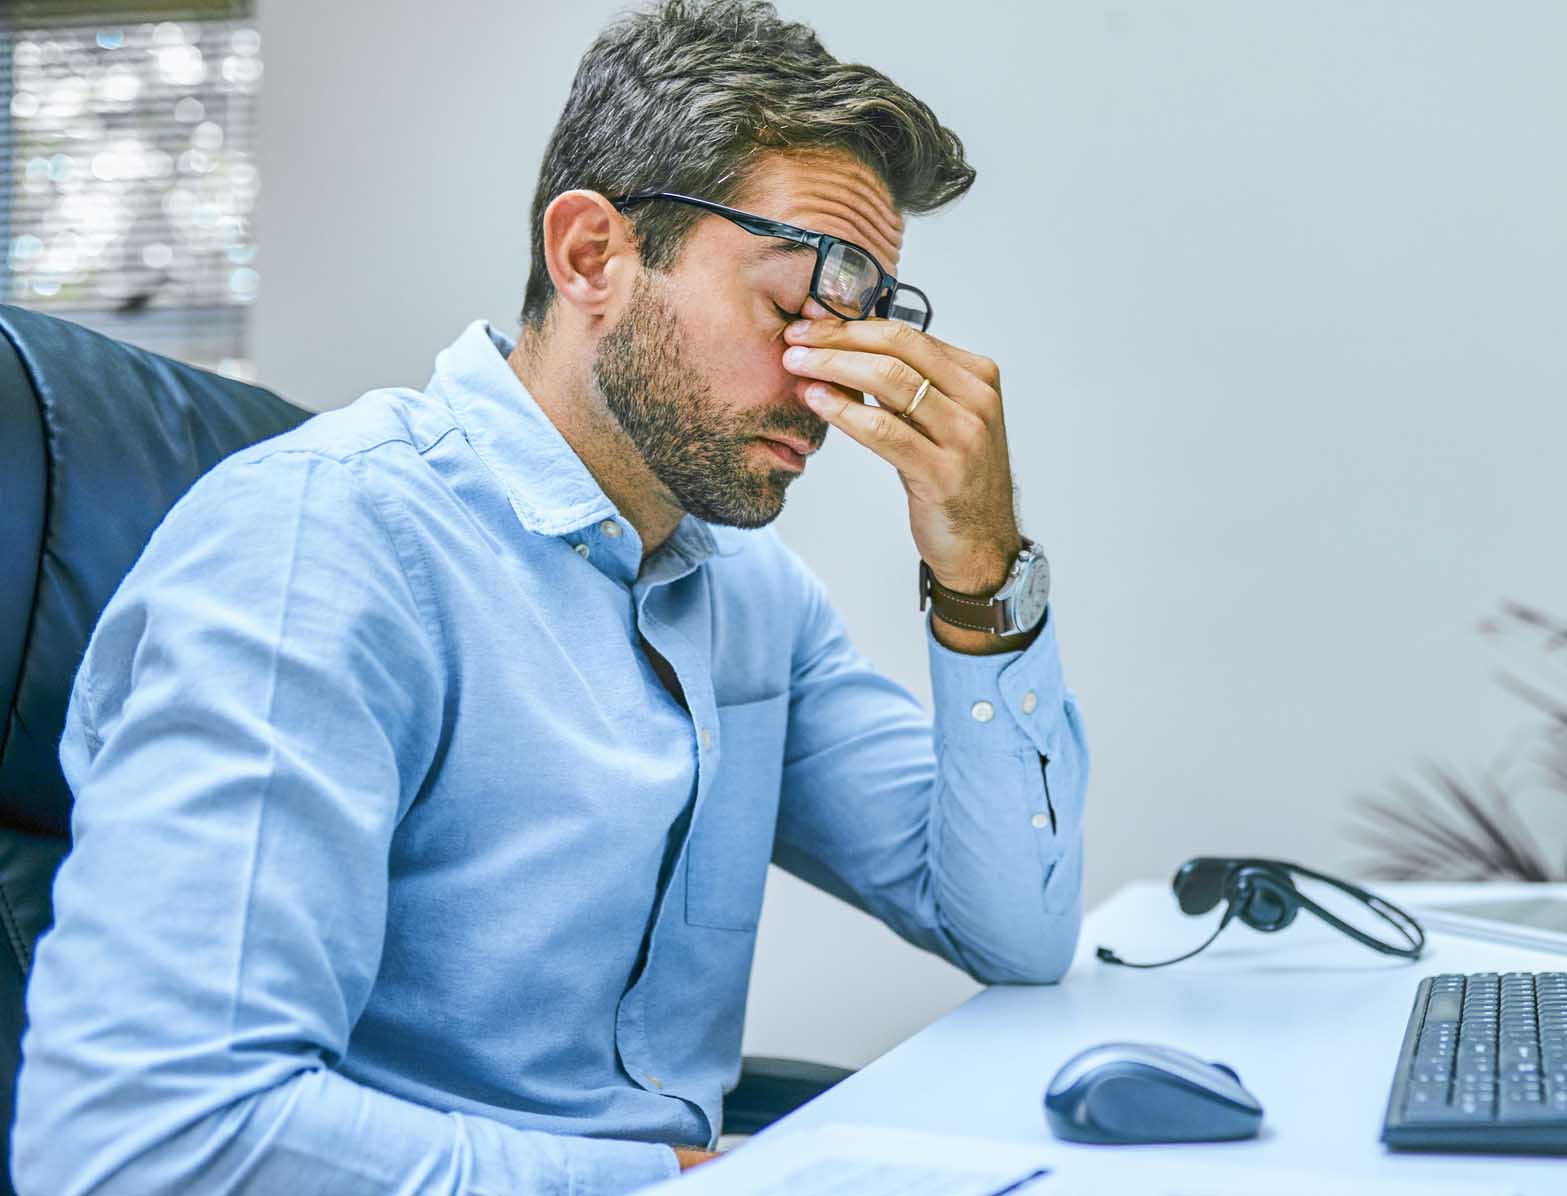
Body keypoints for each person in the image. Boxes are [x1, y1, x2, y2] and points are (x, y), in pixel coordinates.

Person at [13, 3, 1085, 1192]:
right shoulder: (322, 550)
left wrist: (979, 562)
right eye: (791, 310)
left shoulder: (749, 598)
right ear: (590, 256)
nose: (830, 384)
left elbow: (1011, 927)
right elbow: (145, 1136)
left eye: (864, 326)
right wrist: (662, 1181)